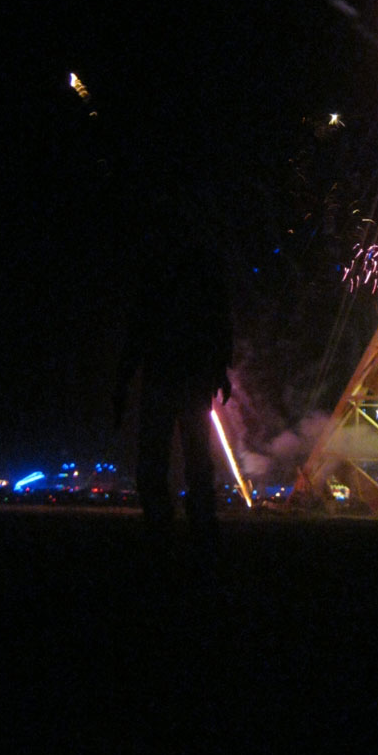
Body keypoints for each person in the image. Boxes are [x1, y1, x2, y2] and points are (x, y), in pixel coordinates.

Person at [113, 173, 233, 545]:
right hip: (191, 373)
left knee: (158, 455)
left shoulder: (156, 268)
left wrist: (123, 379)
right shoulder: (202, 265)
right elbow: (218, 320)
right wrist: (220, 369)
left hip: (165, 373)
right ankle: (200, 523)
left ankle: (161, 524)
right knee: (195, 454)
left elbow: (139, 327)